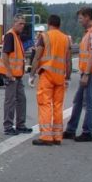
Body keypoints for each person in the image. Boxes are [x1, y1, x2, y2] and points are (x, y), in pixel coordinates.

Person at [64, 6, 92, 141]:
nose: (79, 21)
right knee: (78, 100)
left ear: (87, 17)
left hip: (91, 72)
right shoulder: (89, 31)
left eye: (81, 18)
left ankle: (87, 132)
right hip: (87, 72)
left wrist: (86, 74)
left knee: (88, 102)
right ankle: (71, 130)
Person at [29, 15, 72, 145]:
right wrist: (68, 77)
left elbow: (37, 57)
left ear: (49, 23)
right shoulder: (66, 39)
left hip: (47, 76)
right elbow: (68, 60)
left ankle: (46, 137)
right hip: (60, 77)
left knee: (45, 104)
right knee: (58, 106)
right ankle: (57, 137)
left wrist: (32, 74)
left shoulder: (44, 36)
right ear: (59, 24)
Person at [0, 14, 31, 135]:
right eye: (20, 24)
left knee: (21, 100)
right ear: (14, 24)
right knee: (10, 101)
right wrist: (9, 72)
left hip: (17, 75)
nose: (22, 26)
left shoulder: (16, 36)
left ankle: (20, 125)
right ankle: (8, 126)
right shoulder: (10, 35)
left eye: (23, 24)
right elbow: (5, 54)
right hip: (11, 75)